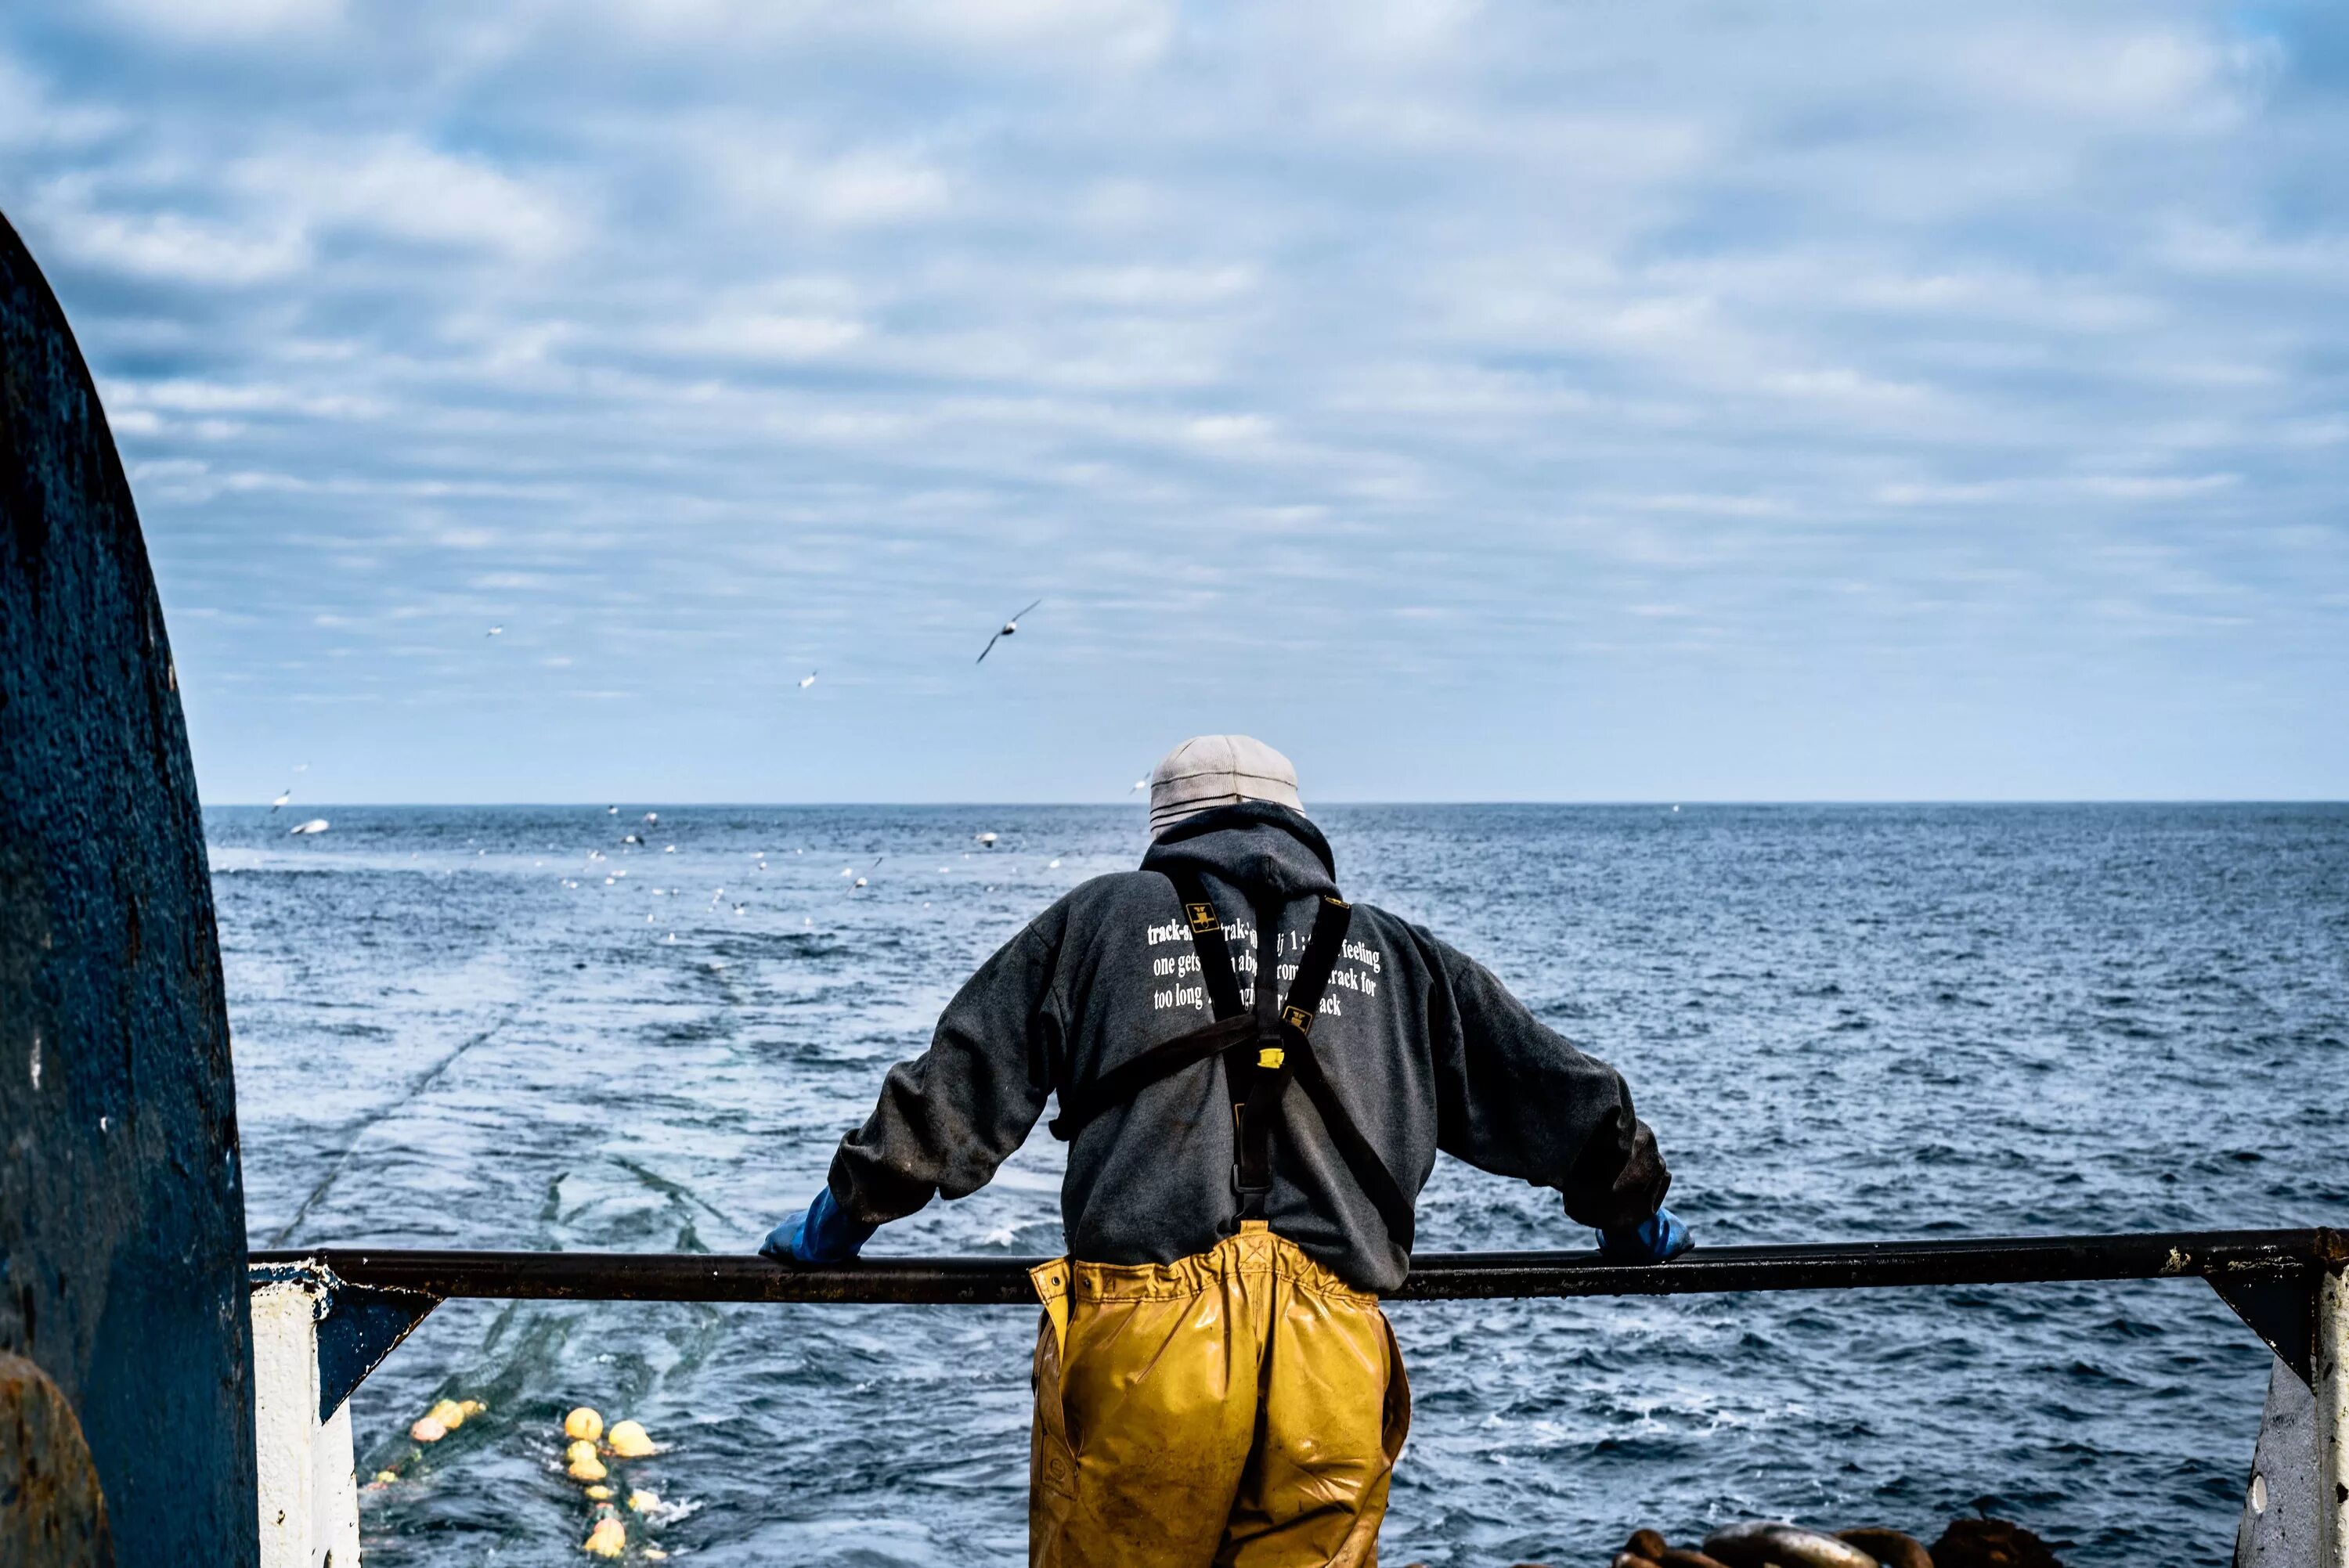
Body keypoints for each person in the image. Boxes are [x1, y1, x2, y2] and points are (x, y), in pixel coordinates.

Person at [763, 734, 1688, 1568]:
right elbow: (1557, 1093)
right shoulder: (1400, 954)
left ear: (1167, 827)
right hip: (1333, 1357)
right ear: (1297, 826)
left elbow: (956, 1090)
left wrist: (844, 1214)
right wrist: (1630, 1208)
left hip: (1146, 1349)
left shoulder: (1099, 921)